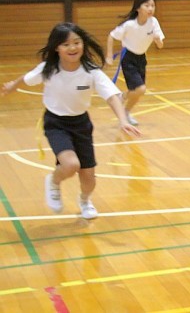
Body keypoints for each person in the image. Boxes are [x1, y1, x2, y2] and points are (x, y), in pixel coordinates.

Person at [1, 22, 141, 219]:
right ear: (56, 48)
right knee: (70, 165)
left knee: (89, 178)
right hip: (56, 123)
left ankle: (85, 201)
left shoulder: (91, 72)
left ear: (83, 44)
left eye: (77, 42)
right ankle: (53, 182)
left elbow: (112, 96)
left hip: (81, 124)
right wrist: (12, 86)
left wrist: (123, 120)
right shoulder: (49, 69)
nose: (72, 47)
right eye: (66, 44)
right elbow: (27, 78)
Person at [106, 0, 165, 126]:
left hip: (141, 58)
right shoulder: (129, 25)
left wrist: (157, 40)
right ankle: (122, 98)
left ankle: (125, 112)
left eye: (152, 5)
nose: (150, 9)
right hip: (128, 58)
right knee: (140, 89)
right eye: (147, 5)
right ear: (138, 8)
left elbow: (160, 45)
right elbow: (111, 36)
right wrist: (109, 56)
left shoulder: (153, 22)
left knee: (137, 92)